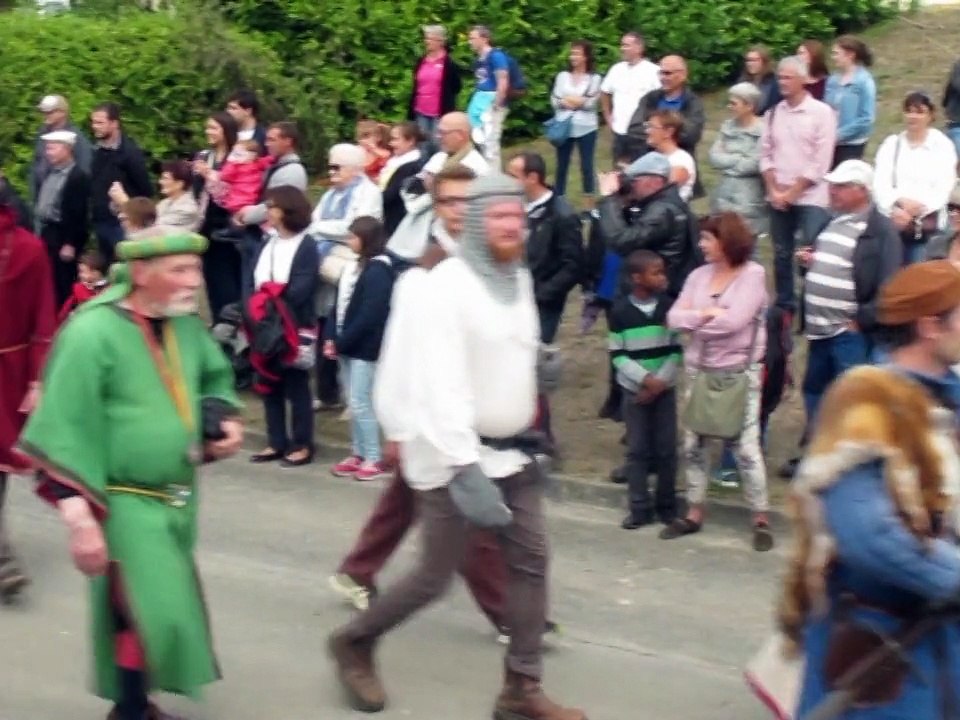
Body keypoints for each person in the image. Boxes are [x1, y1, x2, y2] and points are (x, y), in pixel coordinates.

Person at [328, 174, 585, 720]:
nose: (511, 225)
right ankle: (355, 640)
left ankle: (521, 687)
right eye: (498, 216)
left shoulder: (514, 279)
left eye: (518, 216)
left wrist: (538, 370)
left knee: (532, 561)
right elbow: (438, 382)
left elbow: (503, 352)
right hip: (453, 456)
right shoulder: (441, 286)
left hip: (511, 453)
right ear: (474, 222)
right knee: (434, 575)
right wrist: (464, 467)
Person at [17, 228, 244, 720]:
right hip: (122, 499)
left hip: (179, 496)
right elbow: (62, 427)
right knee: (155, 612)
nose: (194, 282)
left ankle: (134, 706)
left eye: (196, 269)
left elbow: (212, 378)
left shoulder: (182, 324)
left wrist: (219, 417)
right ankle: (130, 711)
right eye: (180, 271)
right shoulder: (90, 332)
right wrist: (80, 522)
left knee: (142, 614)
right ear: (141, 274)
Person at [782, 260, 960, 720]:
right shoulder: (866, 396)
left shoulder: (951, 397)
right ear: (929, 325)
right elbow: (869, 534)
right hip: (878, 643)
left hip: (943, 641)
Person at [664, 212, 772, 551]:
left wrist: (694, 323)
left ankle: (760, 516)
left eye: (707, 239)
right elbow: (672, 317)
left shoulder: (753, 275)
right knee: (693, 444)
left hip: (739, 373)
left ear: (726, 241)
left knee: (745, 448)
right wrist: (703, 315)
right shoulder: (697, 276)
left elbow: (735, 322)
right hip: (699, 371)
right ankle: (695, 511)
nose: (701, 245)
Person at [0, 197, 56, 601]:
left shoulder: (30, 249)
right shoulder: (31, 247)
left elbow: (42, 318)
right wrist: (36, 378)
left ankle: (3, 560)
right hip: (13, 369)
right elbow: (44, 322)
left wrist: (38, 379)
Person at [248, 186, 320, 468]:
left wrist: (272, 300)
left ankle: (302, 443)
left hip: (292, 322)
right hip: (265, 322)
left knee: (296, 383)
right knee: (268, 383)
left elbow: (302, 286)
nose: (268, 211)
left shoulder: (306, 244)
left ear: (287, 210)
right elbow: (253, 278)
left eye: (272, 206)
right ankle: (275, 440)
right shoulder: (269, 241)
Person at [609, 250, 681, 530]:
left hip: (665, 390)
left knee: (666, 449)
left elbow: (676, 349)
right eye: (656, 273)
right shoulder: (620, 312)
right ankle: (639, 507)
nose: (663, 277)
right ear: (636, 278)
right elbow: (618, 355)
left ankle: (667, 506)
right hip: (634, 391)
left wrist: (660, 382)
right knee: (637, 450)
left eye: (663, 272)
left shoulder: (669, 308)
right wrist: (644, 379)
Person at [327, 217, 396, 481]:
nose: (349, 241)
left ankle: (373, 457)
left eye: (354, 237)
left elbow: (371, 314)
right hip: (346, 343)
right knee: (352, 400)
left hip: (365, 347)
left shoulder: (379, 270)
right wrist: (332, 335)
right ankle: (357, 452)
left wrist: (342, 341)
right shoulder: (352, 267)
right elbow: (337, 304)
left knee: (361, 401)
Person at [873, 90, 958, 265]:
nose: (913, 116)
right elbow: (880, 183)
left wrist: (916, 210)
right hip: (893, 221)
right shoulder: (892, 144)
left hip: (926, 228)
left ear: (930, 115)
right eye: (909, 111)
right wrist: (897, 205)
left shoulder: (942, 146)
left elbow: (944, 186)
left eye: (919, 112)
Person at [34, 129, 90, 307]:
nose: (48, 152)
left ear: (67, 149)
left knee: (62, 280)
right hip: (47, 231)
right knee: (47, 278)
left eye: (52, 148)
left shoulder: (77, 177)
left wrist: (70, 243)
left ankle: (64, 316)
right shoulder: (51, 172)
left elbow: (78, 213)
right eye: (47, 148)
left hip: (63, 235)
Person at [408, 25, 463, 139]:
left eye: (429, 39)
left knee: (439, 145)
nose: (426, 41)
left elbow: (456, 86)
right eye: (426, 38)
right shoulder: (421, 61)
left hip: (440, 113)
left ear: (440, 41)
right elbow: (416, 85)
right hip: (420, 112)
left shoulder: (449, 64)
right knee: (423, 145)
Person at [58, 249, 109, 324]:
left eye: (83, 272)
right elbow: (66, 308)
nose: (80, 275)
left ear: (95, 273)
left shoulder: (107, 289)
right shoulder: (79, 288)